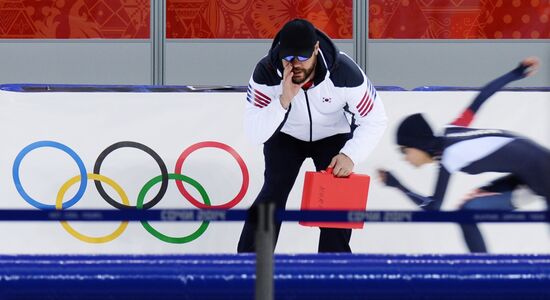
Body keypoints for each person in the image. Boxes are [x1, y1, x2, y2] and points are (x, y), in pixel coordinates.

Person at [238, 19, 387, 253]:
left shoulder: (344, 72)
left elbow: (376, 119)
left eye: (303, 58)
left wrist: (350, 154)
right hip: (285, 133)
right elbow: (254, 133)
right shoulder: (266, 71)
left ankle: (332, 272)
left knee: (337, 201)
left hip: (332, 134)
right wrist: (283, 101)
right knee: (273, 193)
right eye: (288, 58)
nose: (295, 65)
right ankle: (248, 266)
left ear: (316, 50)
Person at [378, 57, 547, 253]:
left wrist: (396, 184)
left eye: (405, 151)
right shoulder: (454, 128)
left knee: (467, 212)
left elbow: (433, 207)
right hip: (529, 171)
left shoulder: (449, 155)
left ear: (418, 144)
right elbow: (481, 97)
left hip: (540, 172)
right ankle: (484, 271)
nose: (405, 158)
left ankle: (483, 273)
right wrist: (516, 73)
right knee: (469, 209)